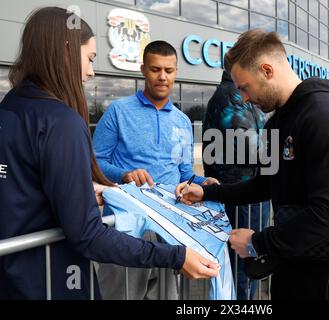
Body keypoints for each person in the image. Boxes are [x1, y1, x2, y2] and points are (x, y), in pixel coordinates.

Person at [0, 7, 219, 300]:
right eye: (90, 59)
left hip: (19, 276)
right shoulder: (69, 120)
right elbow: (87, 231)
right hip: (77, 265)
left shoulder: (11, 107)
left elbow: (26, 184)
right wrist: (176, 257)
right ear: (66, 51)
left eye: (169, 71)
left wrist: (200, 184)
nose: (91, 72)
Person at [176, 29, 329, 300]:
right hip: (292, 264)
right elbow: (267, 183)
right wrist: (208, 192)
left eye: (244, 87)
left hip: (328, 277)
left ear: (267, 70)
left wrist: (257, 242)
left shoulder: (323, 117)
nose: (242, 98)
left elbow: (327, 215)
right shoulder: (279, 120)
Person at [93, 40, 218, 299]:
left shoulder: (183, 121)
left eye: (169, 70)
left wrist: (203, 182)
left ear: (175, 72)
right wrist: (124, 174)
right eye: (155, 69)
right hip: (126, 227)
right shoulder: (118, 111)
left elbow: (184, 172)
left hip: (168, 228)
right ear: (143, 70)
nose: (162, 76)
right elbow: (94, 162)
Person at [203, 70, 270, 300]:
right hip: (238, 192)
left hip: (251, 189)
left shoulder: (245, 94)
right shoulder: (230, 94)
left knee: (250, 259)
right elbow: (250, 148)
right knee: (242, 261)